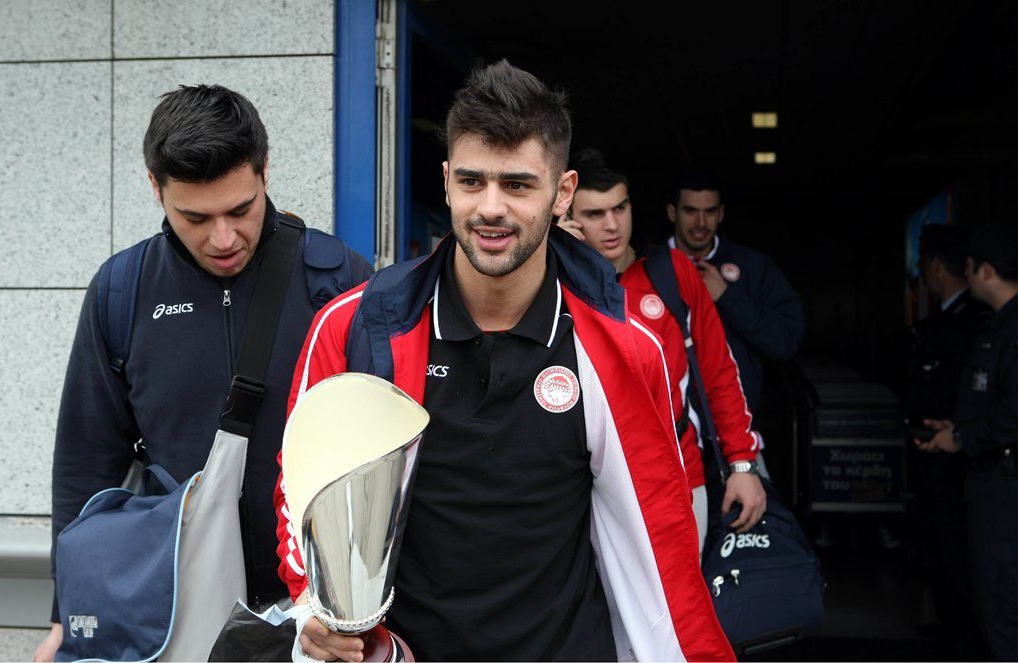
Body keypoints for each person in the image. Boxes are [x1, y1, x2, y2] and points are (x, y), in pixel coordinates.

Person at [275, 61, 733, 662]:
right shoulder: (354, 327)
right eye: (472, 181)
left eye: (517, 185)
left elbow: (660, 538)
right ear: (446, 182)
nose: (491, 208)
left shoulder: (626, 348)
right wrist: (316, 606)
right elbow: (300, 491)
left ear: (562, 193)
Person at [34, 85, 373, 662]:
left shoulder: (339, 281)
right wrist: (66, 615)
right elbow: (85, 463)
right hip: (175, 611)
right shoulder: (122, 290)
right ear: (155, 187)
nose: (223, 239)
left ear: (265, 171)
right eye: (195, 217)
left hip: (314, 617)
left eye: (241, 210)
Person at [560, 148, 765, 550]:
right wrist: (556, 256)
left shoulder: (672, 271)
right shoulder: (553, 278)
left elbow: (719, 372)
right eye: (595, 214)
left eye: (620, 208)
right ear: (567, 217)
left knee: (680, 593)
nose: (612, 225)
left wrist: (743, 464)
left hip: (678, 475)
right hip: (583, 482)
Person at [915, 223, 1018, 660]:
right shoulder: (996, 325)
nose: (965, 274)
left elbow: (1014, 413)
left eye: (971, 267)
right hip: (988, 481)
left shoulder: (1011, 330)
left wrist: (960, 436)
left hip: (1005, 485)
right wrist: (954, 426)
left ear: (986, 272)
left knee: (1002, 602)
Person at [903, 224, 989, 655]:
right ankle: (952, 631)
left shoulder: (978, 323)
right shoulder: (944, 324)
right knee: (939, 551)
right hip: (935, 455)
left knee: (958, 555)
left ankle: (964, 639)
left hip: (962, 461)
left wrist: (954, 431)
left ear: (936, 266)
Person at [667, 168, 804, 415]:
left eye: (710, 212)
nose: (700, 223)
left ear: (721, 213)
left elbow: (785, 342)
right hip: (668, 424)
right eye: (690, 211)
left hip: (737, 421)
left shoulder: (754, 266)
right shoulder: (648, 266)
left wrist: (728, 298)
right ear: (672, 212)